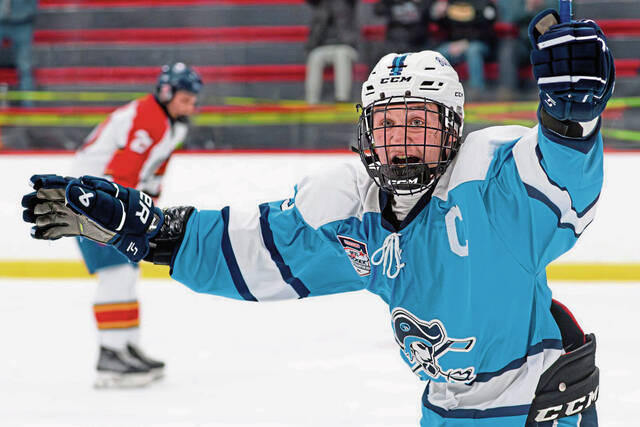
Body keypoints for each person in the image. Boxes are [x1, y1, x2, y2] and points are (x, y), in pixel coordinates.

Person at [23, 8, 614, 425]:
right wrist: (146, 228)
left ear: (454, 131)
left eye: (419, 125)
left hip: (534, 412)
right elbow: (250, 252)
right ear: (366, 134)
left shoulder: (490, 183)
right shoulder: (352, 207)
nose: (402, 144)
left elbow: (563, 189)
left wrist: (570, 124)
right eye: (388, 125)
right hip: (444, 410)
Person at [68, 62, 203, 388]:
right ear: (166, 92)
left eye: (194, 100)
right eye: (185, 98)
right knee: (115, 273)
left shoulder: (174, 124)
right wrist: (125, 214)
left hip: (111, 200)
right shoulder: (148, 118)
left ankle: (125, 346)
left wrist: (148, 212)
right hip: (92, 201)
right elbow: (123, 173)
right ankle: (109, 354)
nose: (191, 106)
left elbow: (153, 173)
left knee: (127, 271)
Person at [430, 0, 497, 95]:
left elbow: (488, 31)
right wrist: (438, 14)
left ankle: (477, 91)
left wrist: (466, 43)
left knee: (473, 51)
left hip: (480, 44)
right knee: (436, 55)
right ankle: (437, 92)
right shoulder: (450, 3)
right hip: (454, 44)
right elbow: (442, 26)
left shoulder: (484, 3)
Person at [496, 0, 555, 99]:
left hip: (544, 41)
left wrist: (539, 8)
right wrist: (529, 8)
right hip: (522, 43)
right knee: (508, 48)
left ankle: (545, 91)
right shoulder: (518, 3)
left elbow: (556, 18)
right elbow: (510, 18)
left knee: (548, 48)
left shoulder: (550, 3)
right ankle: (508, 90)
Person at [304, 0, 359, 104]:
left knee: (341, 55)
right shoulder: (320, 4)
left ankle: (342, 98)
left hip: (346, 46)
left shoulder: (347, 3)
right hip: (323, 47)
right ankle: (311, 101)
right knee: (315, 57)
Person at [0, 0, 37, 98]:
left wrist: (22, 15)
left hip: (22, 23)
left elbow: (32, 6)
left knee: (25, 67)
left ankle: (28, 108)